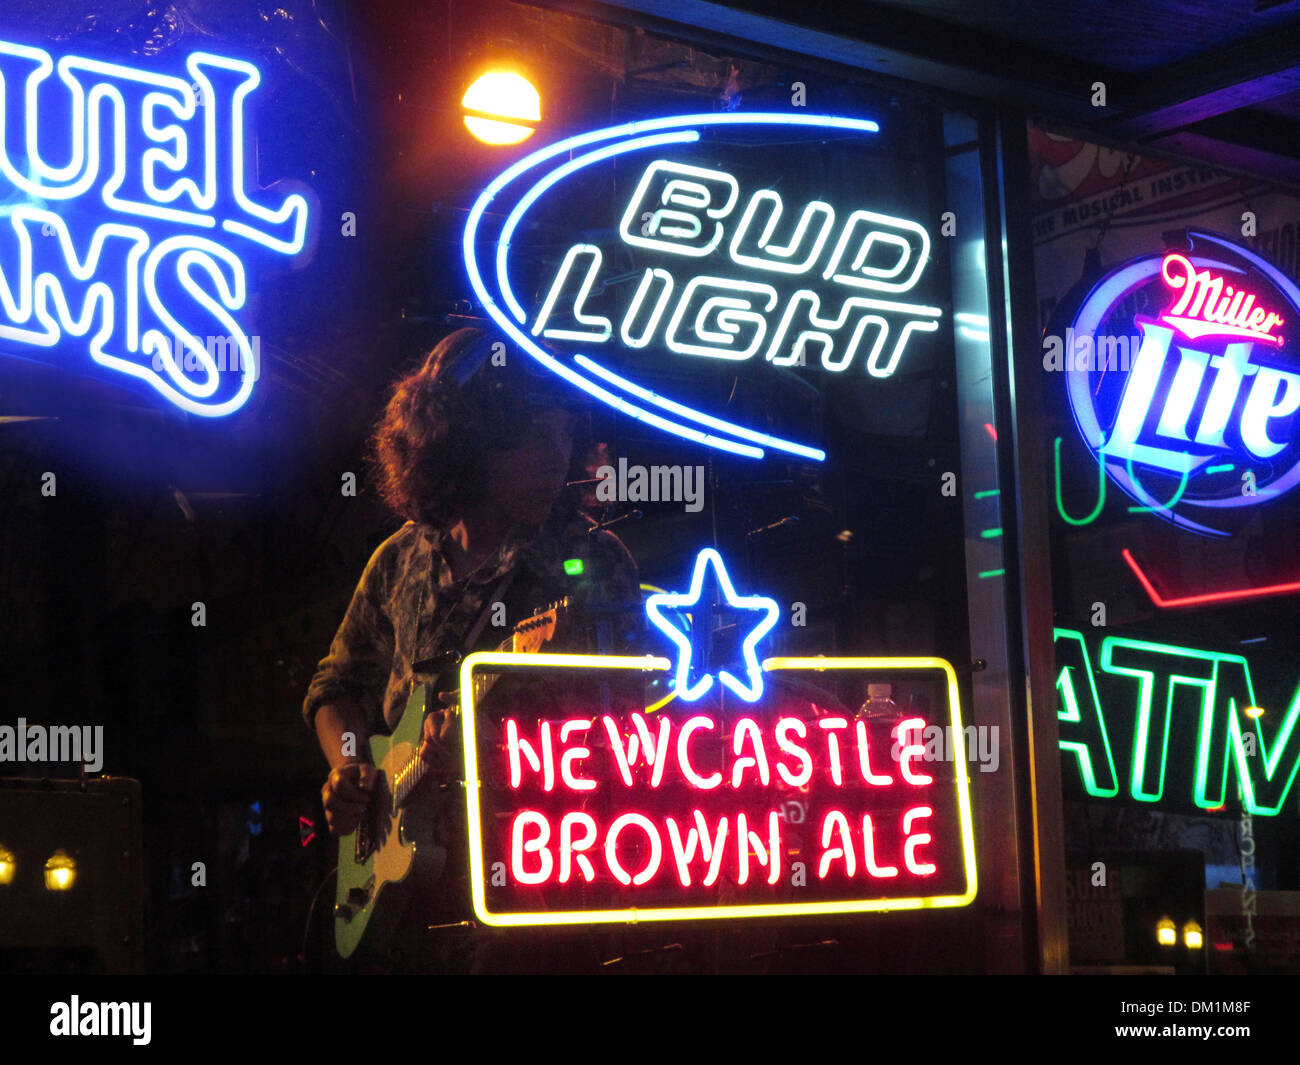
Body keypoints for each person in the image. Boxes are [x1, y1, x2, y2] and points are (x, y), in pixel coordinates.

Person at [302, 326, 639, 969]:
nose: (557, 458)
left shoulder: (592, 558)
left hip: (544, 886)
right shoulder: (397, 559)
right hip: (410, 906)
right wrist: (349, 766)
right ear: (466, 446)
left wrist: (513, 753)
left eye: (566, 434)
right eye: (536, 437)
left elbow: (639, 730)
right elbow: (337, 685)